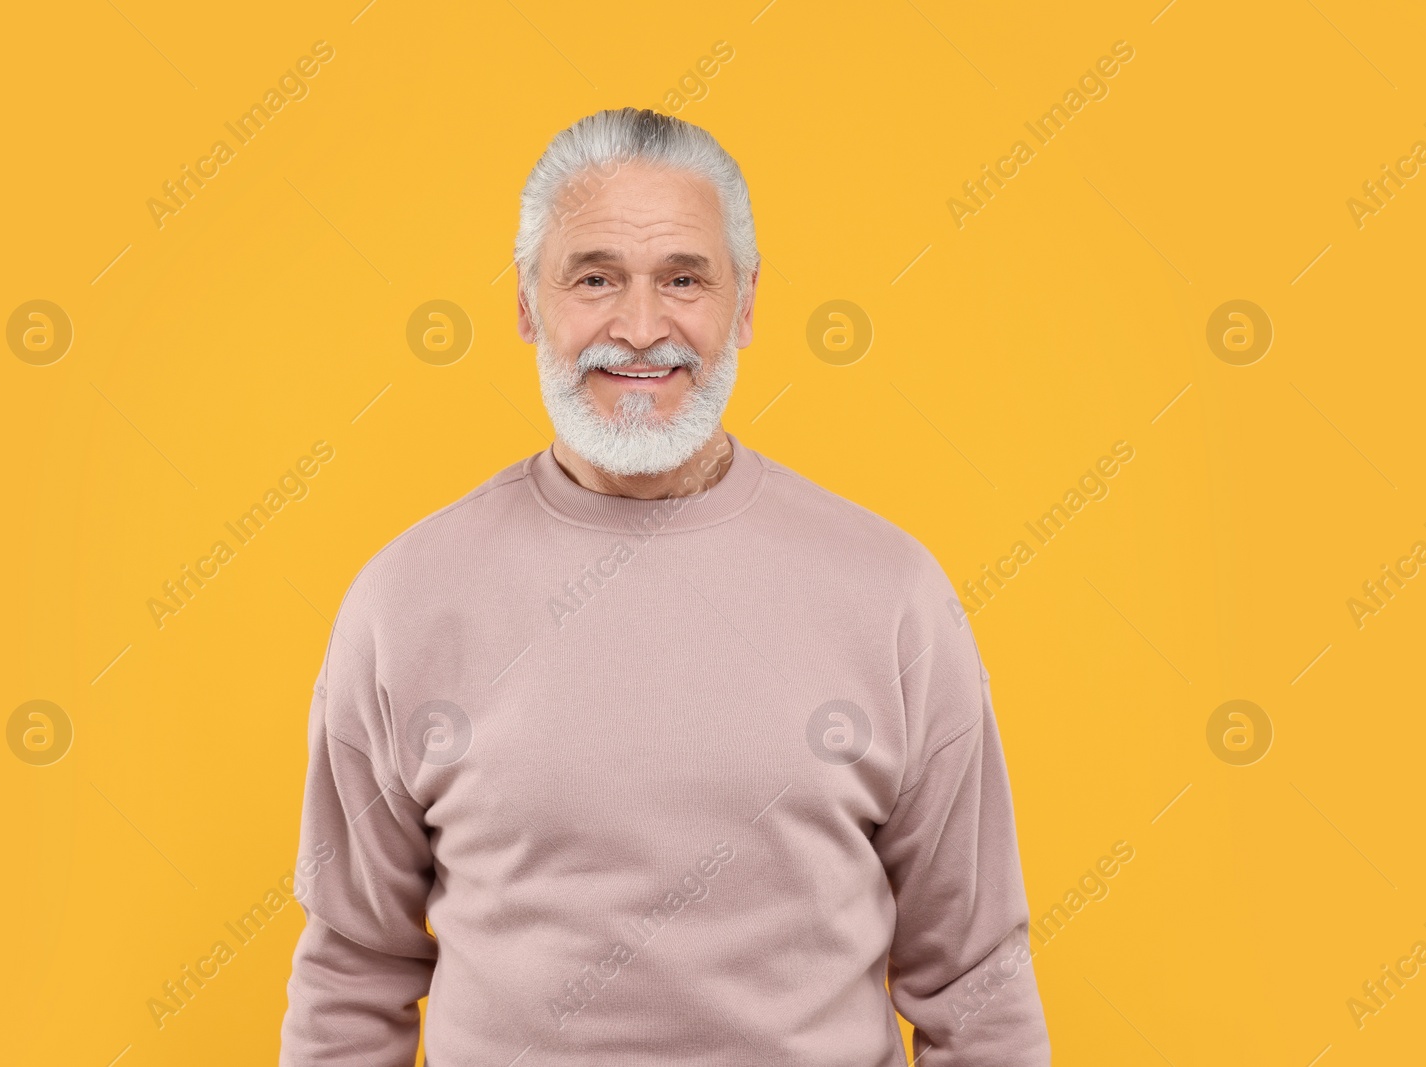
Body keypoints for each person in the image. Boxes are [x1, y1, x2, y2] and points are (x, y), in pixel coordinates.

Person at [279, 106, 1050, 1065]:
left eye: (684, 280)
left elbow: (975, 981)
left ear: (747, 303)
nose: (641, 330)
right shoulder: (403, 602)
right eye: (595, 278)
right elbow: (354, 972)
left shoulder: (894, 595)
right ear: (526, 304)